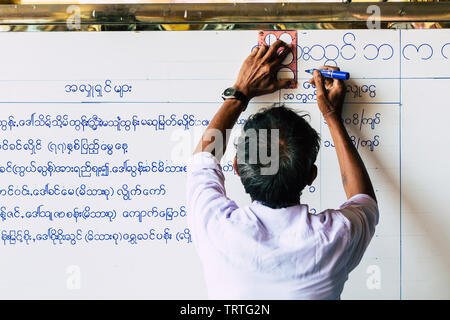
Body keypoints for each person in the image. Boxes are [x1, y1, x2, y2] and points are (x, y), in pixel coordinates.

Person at [186, 40, 378, 299]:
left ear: (237, 168)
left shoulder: (216, 230)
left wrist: (241, 90)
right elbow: (364, 200)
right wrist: (332, 117)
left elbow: (203, 160)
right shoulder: (335, 236)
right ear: (312, 176)